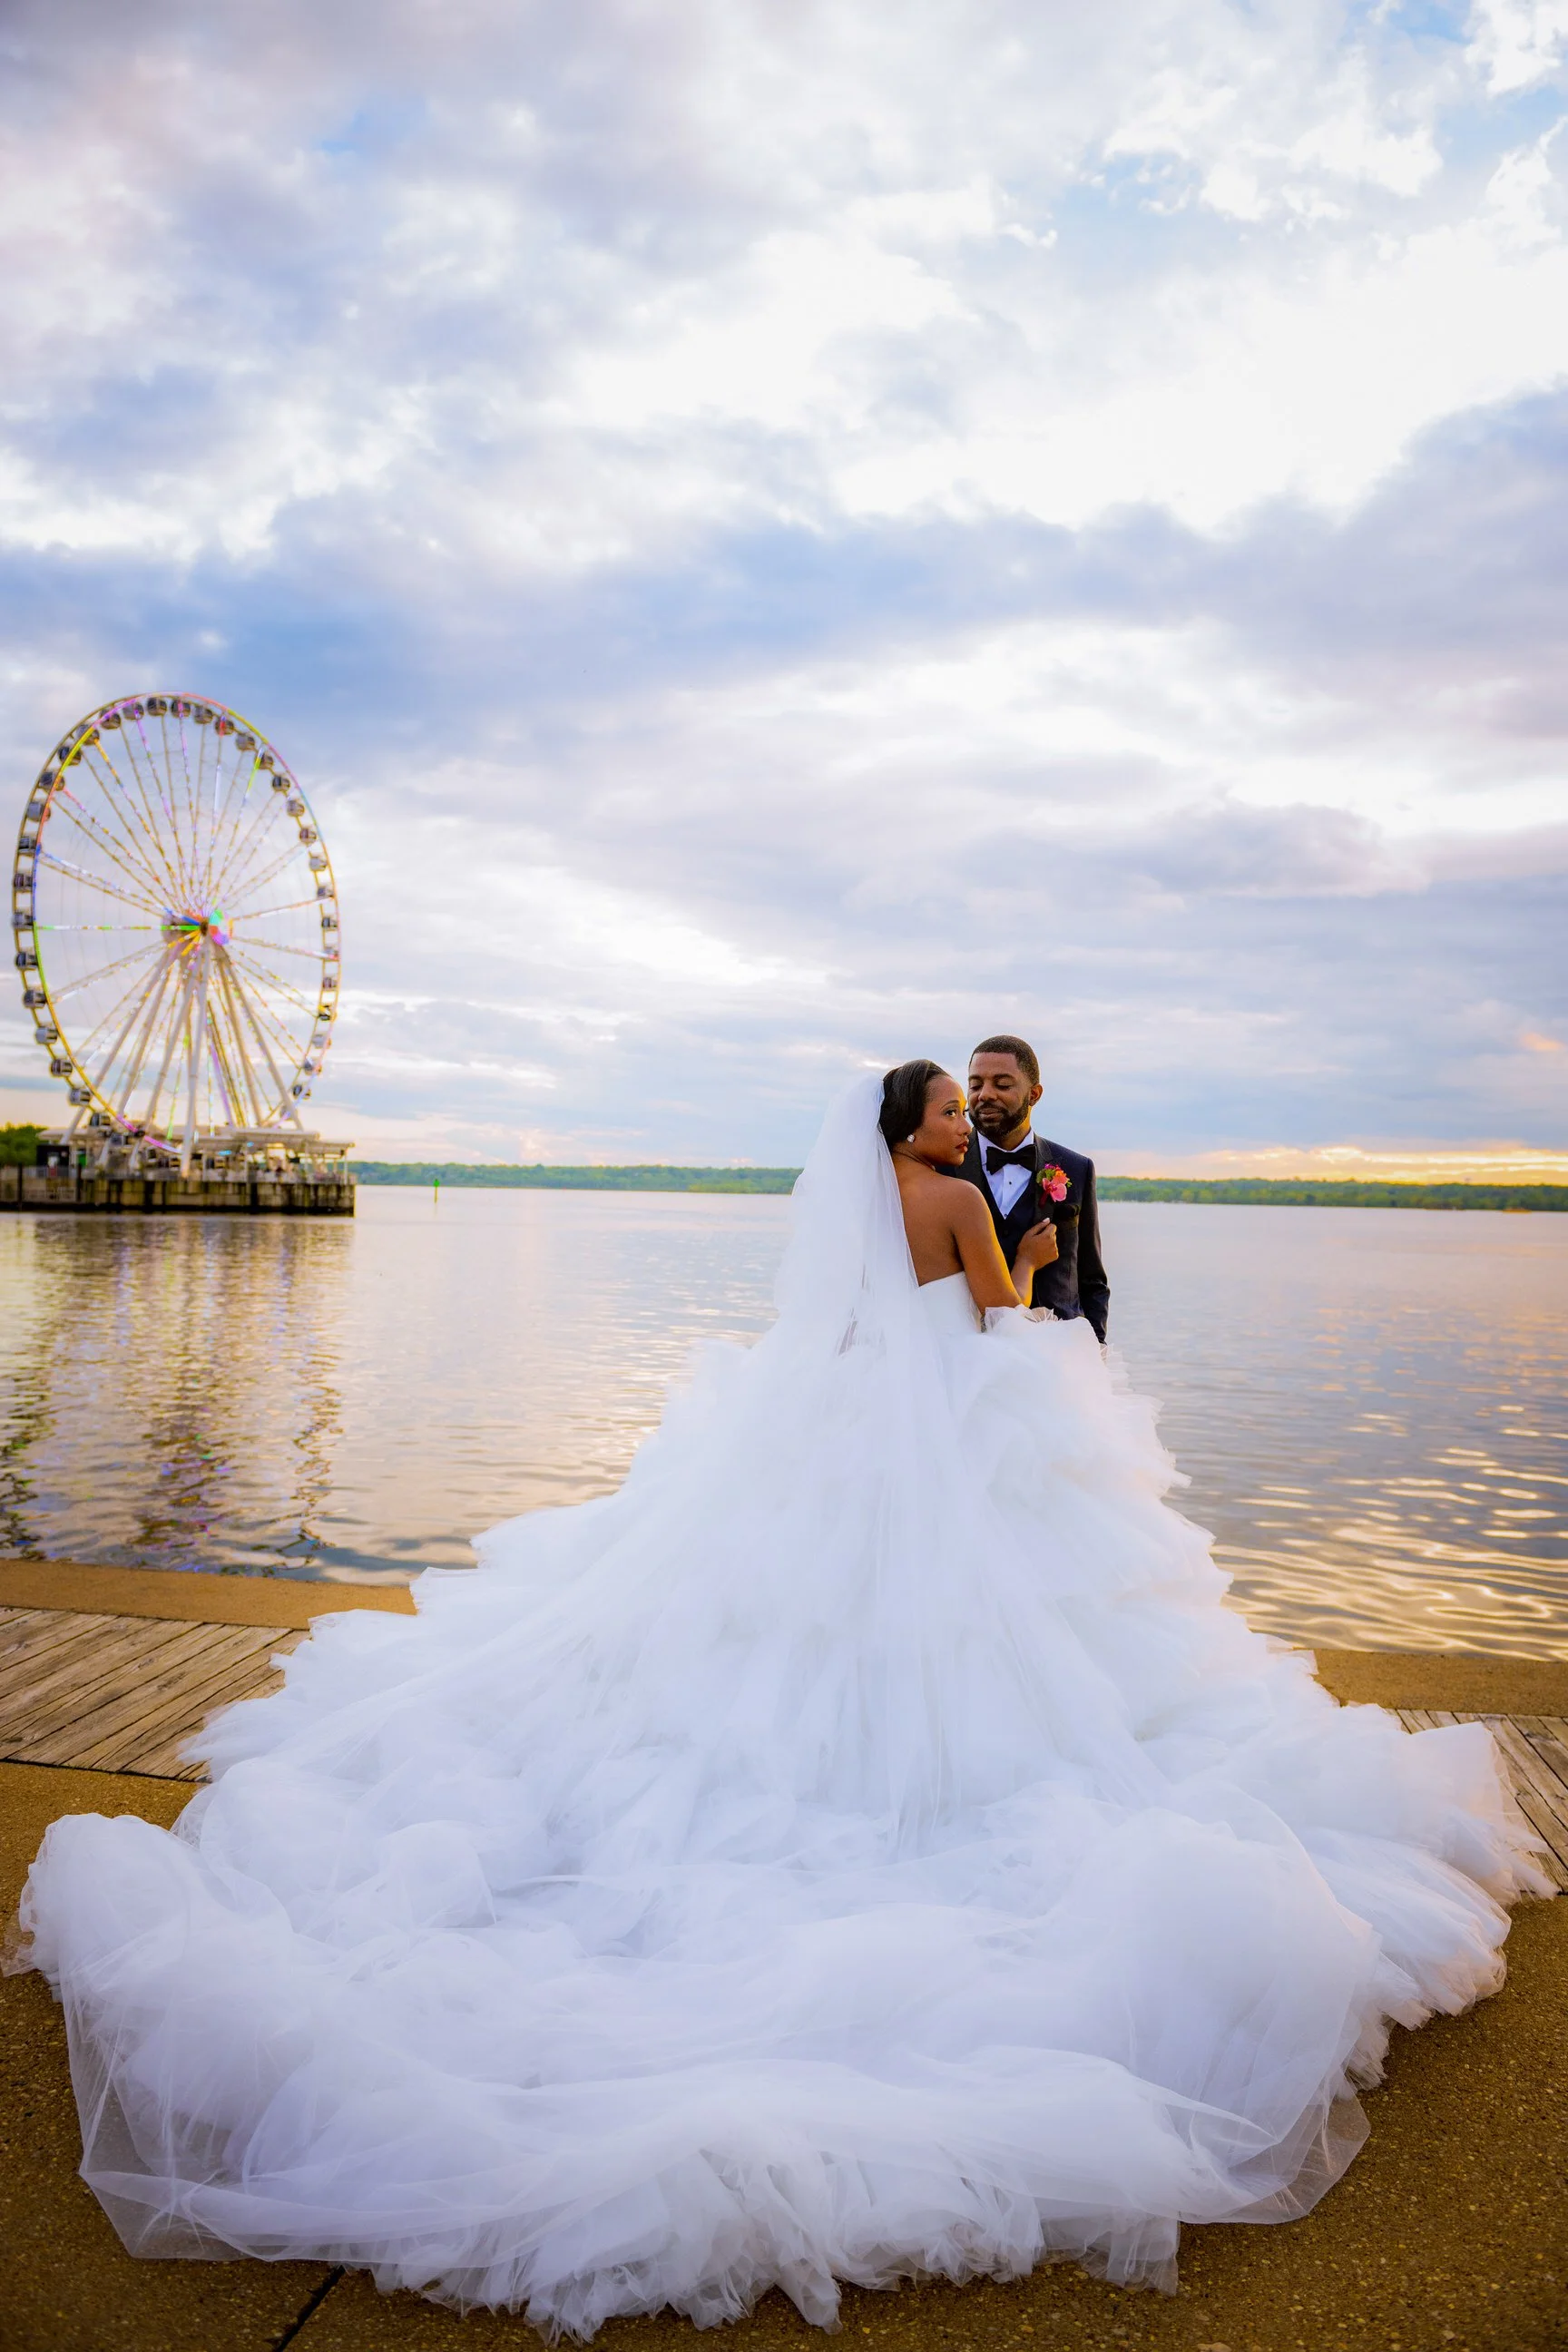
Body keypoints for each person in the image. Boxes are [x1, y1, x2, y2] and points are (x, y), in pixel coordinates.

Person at [13, 1066, 1542, 2339]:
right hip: (952, 1426)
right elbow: (1006, 1309)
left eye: (968, 1105)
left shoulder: (858, 1208)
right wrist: (1025, 1223)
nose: (963, 1121)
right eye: (948, 1108)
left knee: (796, 1622)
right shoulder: (954, 1196)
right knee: (996, 1632)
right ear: (916, 1129)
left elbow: (851, 1327)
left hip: (845, 1419)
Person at [959, 1034, 1109, 1340]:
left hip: (1058, 1352)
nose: (985, 1094)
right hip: (969, 1353)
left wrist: (1095, 1350)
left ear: (1034, 1094)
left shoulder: (1077, 1168)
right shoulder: (945, 1168)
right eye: (975, 1085)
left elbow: (1092, 1280)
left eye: (1002, 1085)